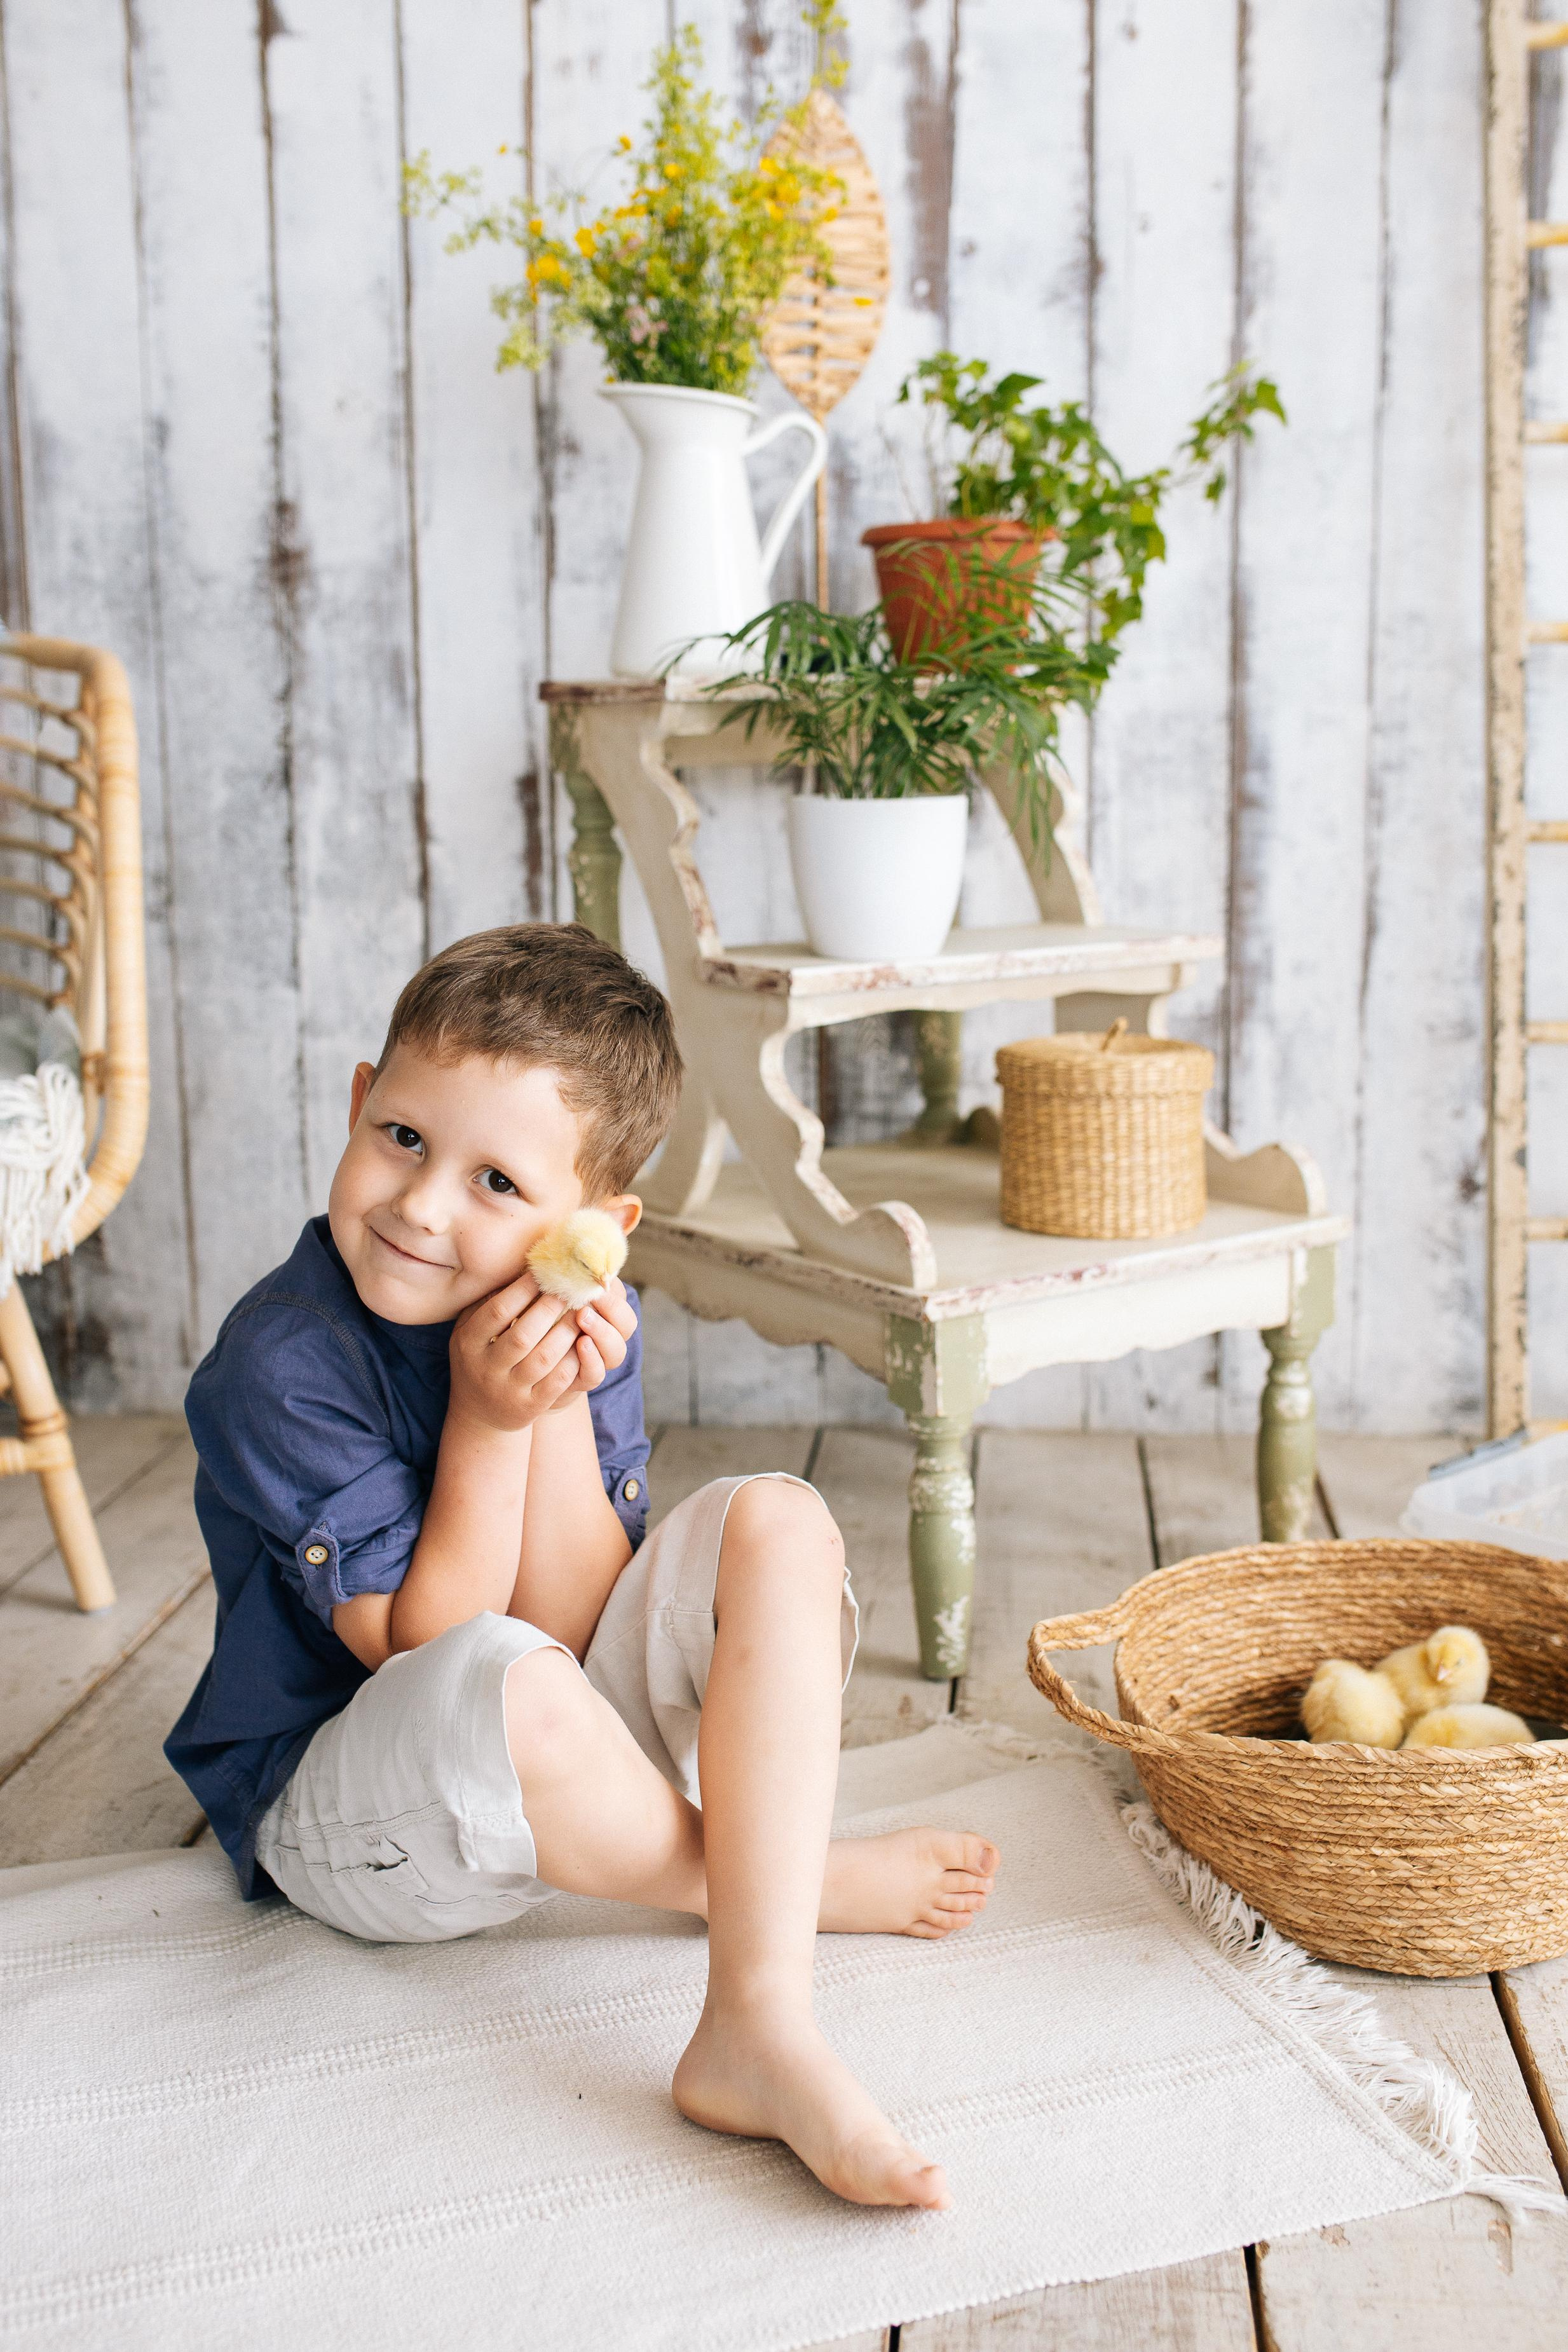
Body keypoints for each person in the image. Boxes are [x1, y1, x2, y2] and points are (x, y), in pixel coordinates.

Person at [166, 922, 999, 2210]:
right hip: (343, 1806)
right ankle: (786, 1879)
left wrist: (547, 1402)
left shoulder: (581, 1317)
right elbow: (429, 1649)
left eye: (498, 1181)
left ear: (596, 1229)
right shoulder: (283, 1362)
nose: (422, 1204)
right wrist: (485, 1420)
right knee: (508, 1676)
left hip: (543, 1744)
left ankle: (756, 2016)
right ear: (359, 1098)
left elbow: (572, 1615)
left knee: (779, 1520)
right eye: (402, 1135)